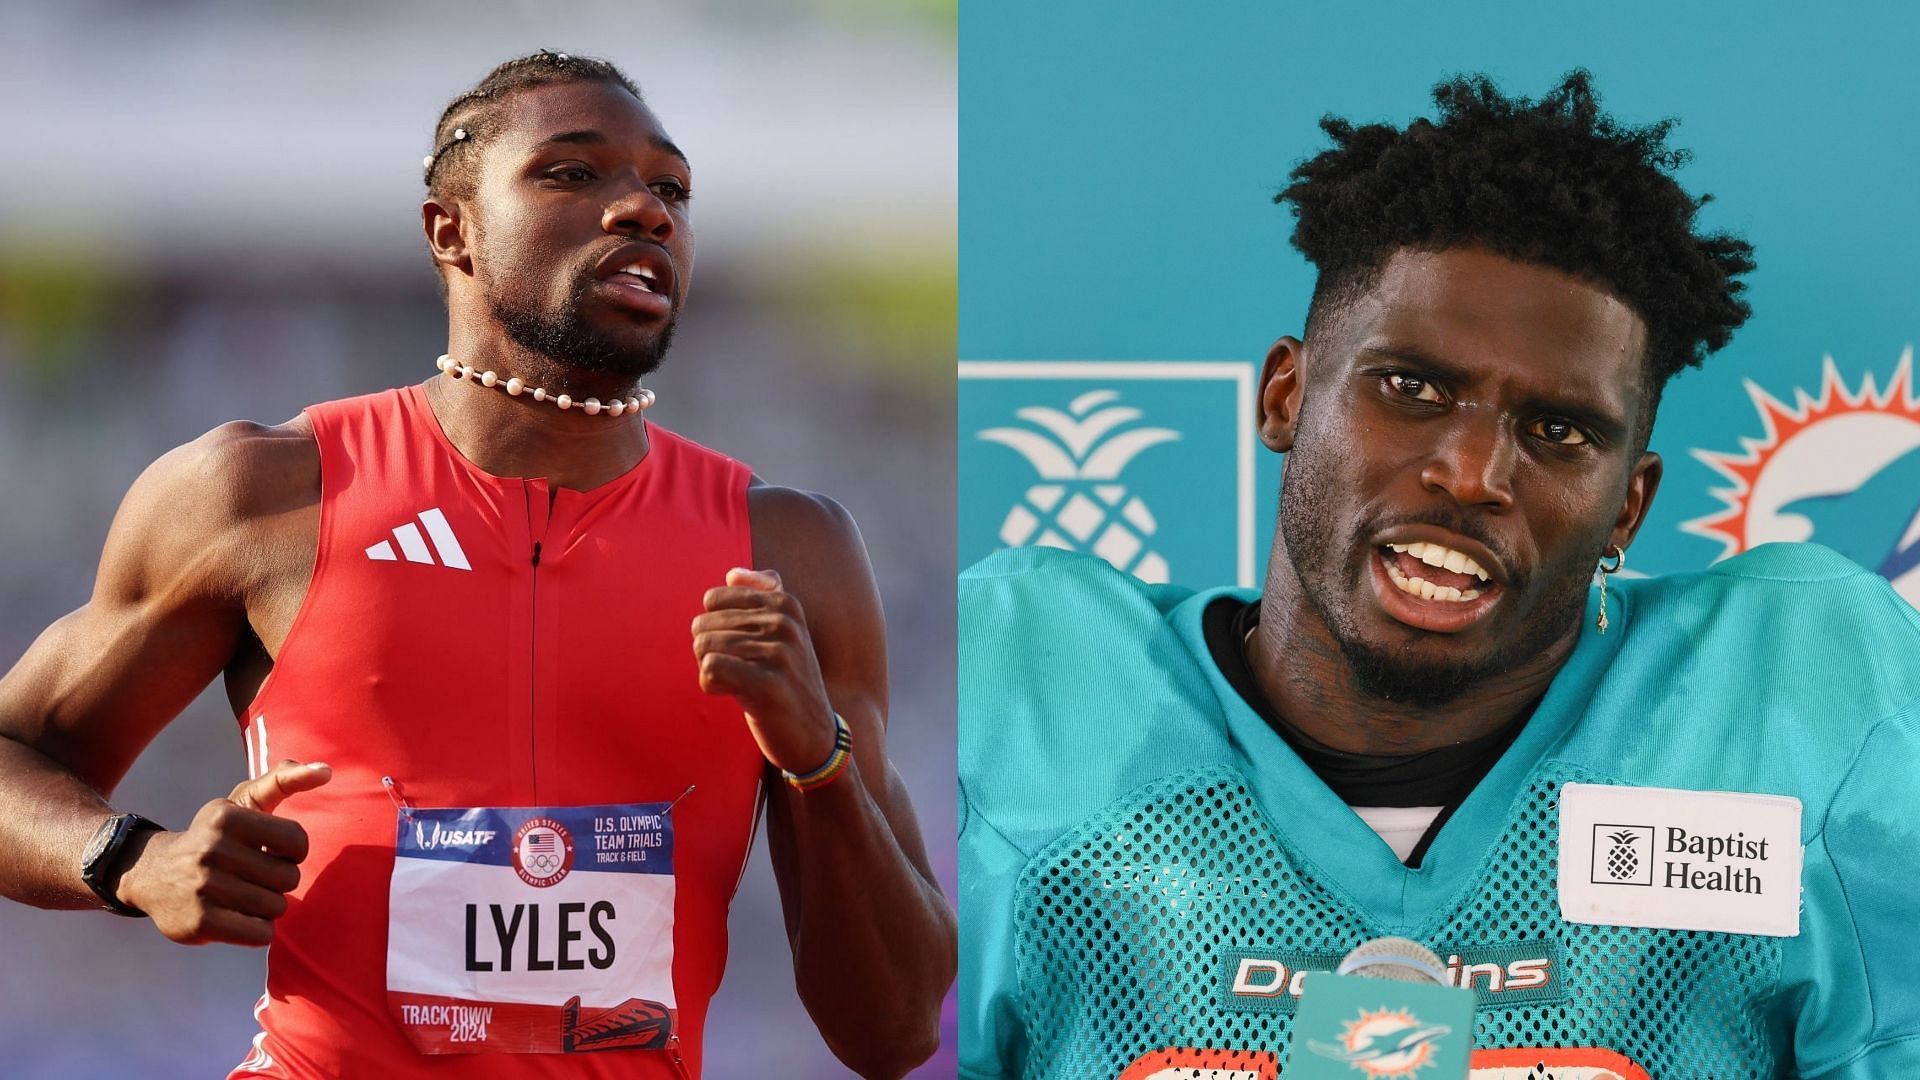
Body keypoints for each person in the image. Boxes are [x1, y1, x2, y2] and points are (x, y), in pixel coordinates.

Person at [0, 51, 954, 1079]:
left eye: (670, 188)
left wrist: (819, 751)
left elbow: (893, 1032)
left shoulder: (787, 553)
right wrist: (132, 862)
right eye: (571, 173)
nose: (643, 208)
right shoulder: (264, 495)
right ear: (448, 230)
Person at [959, 72, 1920, 1079]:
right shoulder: (1028, 698)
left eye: (1557, 430)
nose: (1472, 474)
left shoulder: (1792, 708)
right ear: (1286, 396)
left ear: (1626, 508)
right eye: (1412, 388)